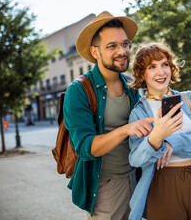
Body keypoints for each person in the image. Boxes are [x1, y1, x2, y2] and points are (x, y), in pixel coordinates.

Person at [63, 11, 154, 219]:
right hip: (104, 187)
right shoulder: (79, 90)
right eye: (112, 46)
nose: (122, 51)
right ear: (95, 52)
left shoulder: (131, 85)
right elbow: (85, 148)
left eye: (125, 44)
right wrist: (125, 130)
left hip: (137, 179)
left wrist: (189, 109)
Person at [128, 42, 191, 220]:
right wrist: (155, 138)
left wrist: (171, 143)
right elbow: (136, 159)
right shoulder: (138, 112)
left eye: (165, 64)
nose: (161, 72)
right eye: (152, 67)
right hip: (162, 183)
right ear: (141, 73)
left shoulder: (190, 99)